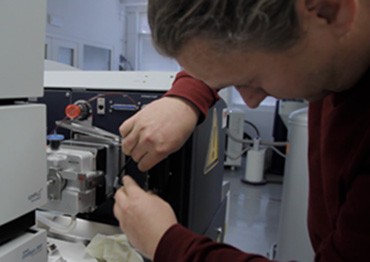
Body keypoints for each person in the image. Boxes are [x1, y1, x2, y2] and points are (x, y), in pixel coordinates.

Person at [114, 0, 370, 261]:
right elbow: (227, 50)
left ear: (329, 10)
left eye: (250, 80)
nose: (250, 101)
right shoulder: (323, 39)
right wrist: (185, 98)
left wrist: (166, 242)